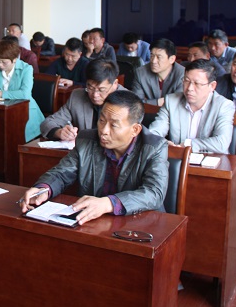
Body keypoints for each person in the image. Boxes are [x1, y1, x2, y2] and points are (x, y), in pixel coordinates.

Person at [19, 91, 168, 223]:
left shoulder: (154, 147)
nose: (104, 130)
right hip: (94, 222)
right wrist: (43, 189)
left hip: (139, 224)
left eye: (113, 125)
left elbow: (154, 192)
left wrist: (108, 203)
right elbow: (62, 173)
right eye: (102, 121)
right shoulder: (87, 140)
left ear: (135, 129)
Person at [149, 59, 235, 153]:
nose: (189, 88)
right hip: (177, 159)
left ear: (212, 86)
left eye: (197, 83)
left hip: (211, 160)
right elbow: (154, 133)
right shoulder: (171, 101)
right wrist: (164, 143)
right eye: (186, 81)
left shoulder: (223, 106)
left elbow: (221, 143)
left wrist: (189, 144)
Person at [40, 59, 123, 142]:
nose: (95, 95)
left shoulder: (127, 103)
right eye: (90, 88)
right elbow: (47, 123)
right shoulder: (77, 95)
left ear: (115, 84)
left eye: (101, 90)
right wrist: (59, 132)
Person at [0, 40, 44, 141]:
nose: (0, 65)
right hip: (2, 111)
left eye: (4, 62)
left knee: (14, 139)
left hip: (24, 112)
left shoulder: (26, 69)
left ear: (14, 60)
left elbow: (25, 94)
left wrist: (0, 94)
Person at [131, 38, 185, 106]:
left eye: (159, 57)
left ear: (172, 59)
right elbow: (135, 103)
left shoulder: (183, 74)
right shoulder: (141, 72)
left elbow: (177, 103)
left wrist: (147, 102)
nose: (153, 61)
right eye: (152, 55)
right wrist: (158, 102)